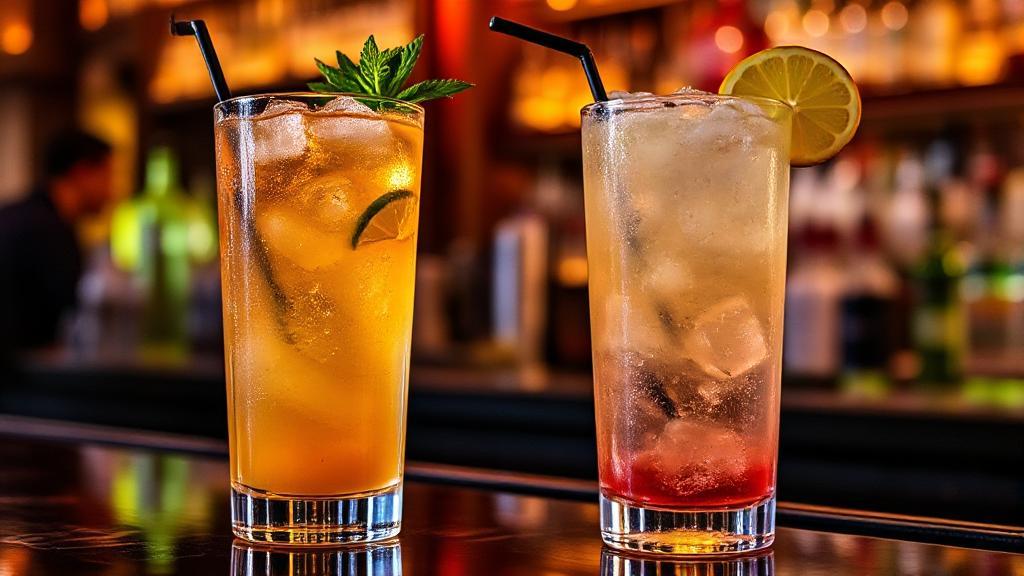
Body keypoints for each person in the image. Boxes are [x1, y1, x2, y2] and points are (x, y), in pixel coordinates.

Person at [0, 130, 113, 350]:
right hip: (20, 377)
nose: (112, 191)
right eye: (108, 176)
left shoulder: (13, 215)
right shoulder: (46, 232)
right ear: (82, 173)